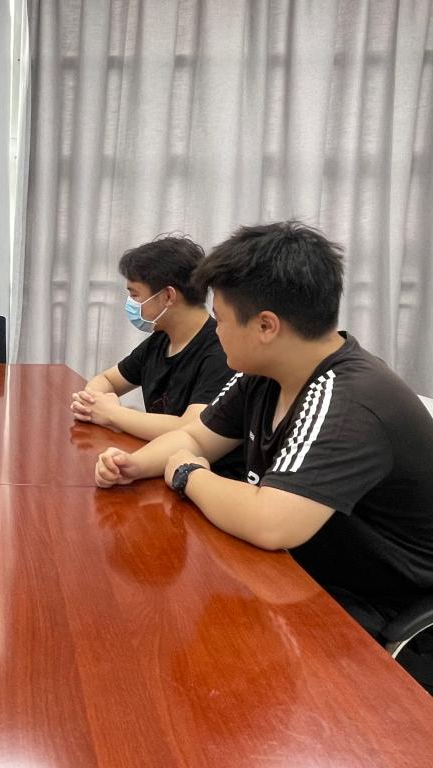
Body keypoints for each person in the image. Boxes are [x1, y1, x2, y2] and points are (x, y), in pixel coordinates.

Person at [94, 221, 433, 689]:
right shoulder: (264, 372)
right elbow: (198, 437)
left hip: (376, 608)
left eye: (221, 319)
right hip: (297, 574)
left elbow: (271, 523)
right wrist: (136, 465)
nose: (216, 330)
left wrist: (187, 475)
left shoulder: (347, 400)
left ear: (266, 326)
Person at [71, 235, 240, 474]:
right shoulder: (160, 339)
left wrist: (113, 414)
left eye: (135, 295)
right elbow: (107, 380)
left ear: (168, 296)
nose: (130, 303)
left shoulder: (220, 352)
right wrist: (93, 403)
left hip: (201, 474)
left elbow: (191, 428)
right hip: (157, 463)